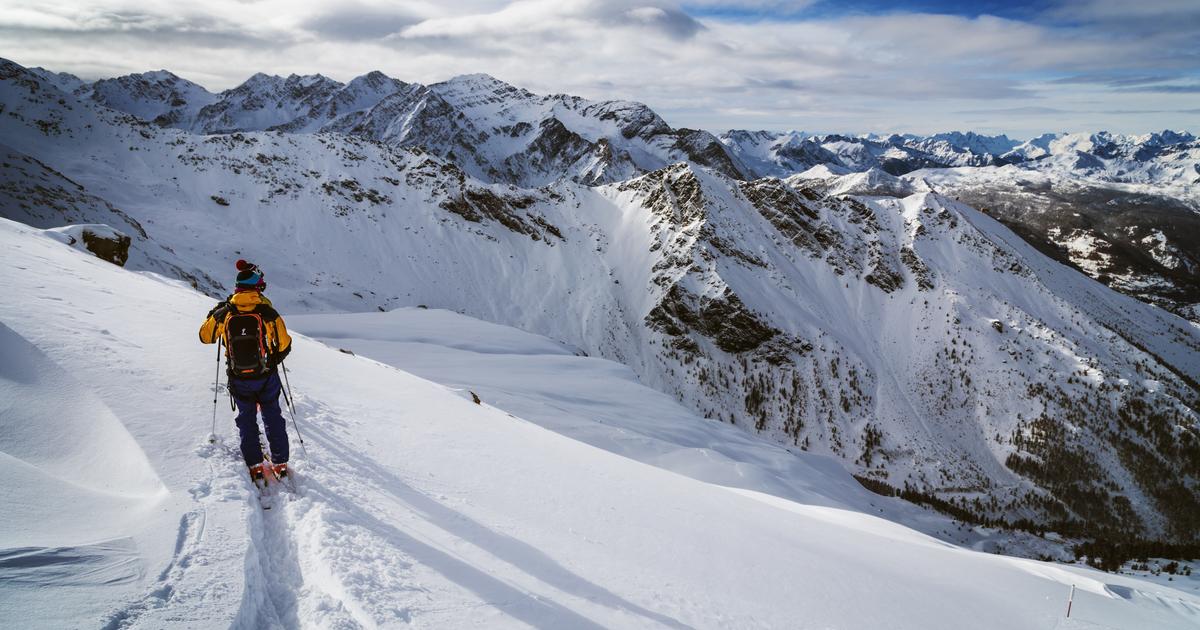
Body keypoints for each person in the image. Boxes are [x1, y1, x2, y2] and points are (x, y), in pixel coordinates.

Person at [199, 260, 293, 482]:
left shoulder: (225, 313)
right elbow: (284, 344)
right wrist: (273, 360)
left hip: (239, 377)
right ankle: (280, 463)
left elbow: (205, 337)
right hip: (266, 375)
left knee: (246, 419)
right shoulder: (267, 313)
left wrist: (215, 314)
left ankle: (255, 465)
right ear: (256, 288)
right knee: (272, 416)